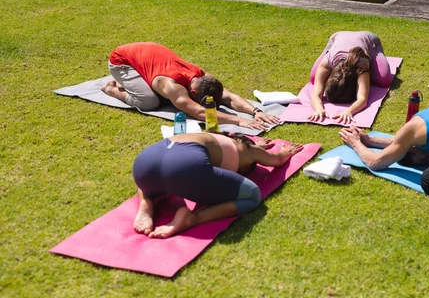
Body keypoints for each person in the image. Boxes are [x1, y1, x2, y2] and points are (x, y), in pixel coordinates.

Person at [132, 132, 304, 238]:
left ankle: (146, 203)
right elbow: (277, 160)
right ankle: (193, 218)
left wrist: (255, 146)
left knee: (163, 178)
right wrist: (285, 151)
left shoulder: (210, 135)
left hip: (144, 164)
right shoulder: (249, 150)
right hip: (183, 168)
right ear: (245, 168)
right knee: (253, 194)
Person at [101, 42, 279, 130]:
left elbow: (228, 96)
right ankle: (112, 88)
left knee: (158, 97)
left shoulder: (202, 76)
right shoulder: (173, 87)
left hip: (146, 53)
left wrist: (256, 112)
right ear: (192, 92)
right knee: (150, 102)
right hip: (122, 61)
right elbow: (200, 113)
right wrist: (239, 120)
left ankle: (131, 82)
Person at [308, 31, 394, 124]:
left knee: (384, 79)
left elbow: (362, 99)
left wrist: (349, 111)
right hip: (337, 37)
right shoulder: (326, 64)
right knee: (314, 78)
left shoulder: (361, 65)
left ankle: (373, 51)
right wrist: (319, 109)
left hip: (369, 38)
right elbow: (316, 95)